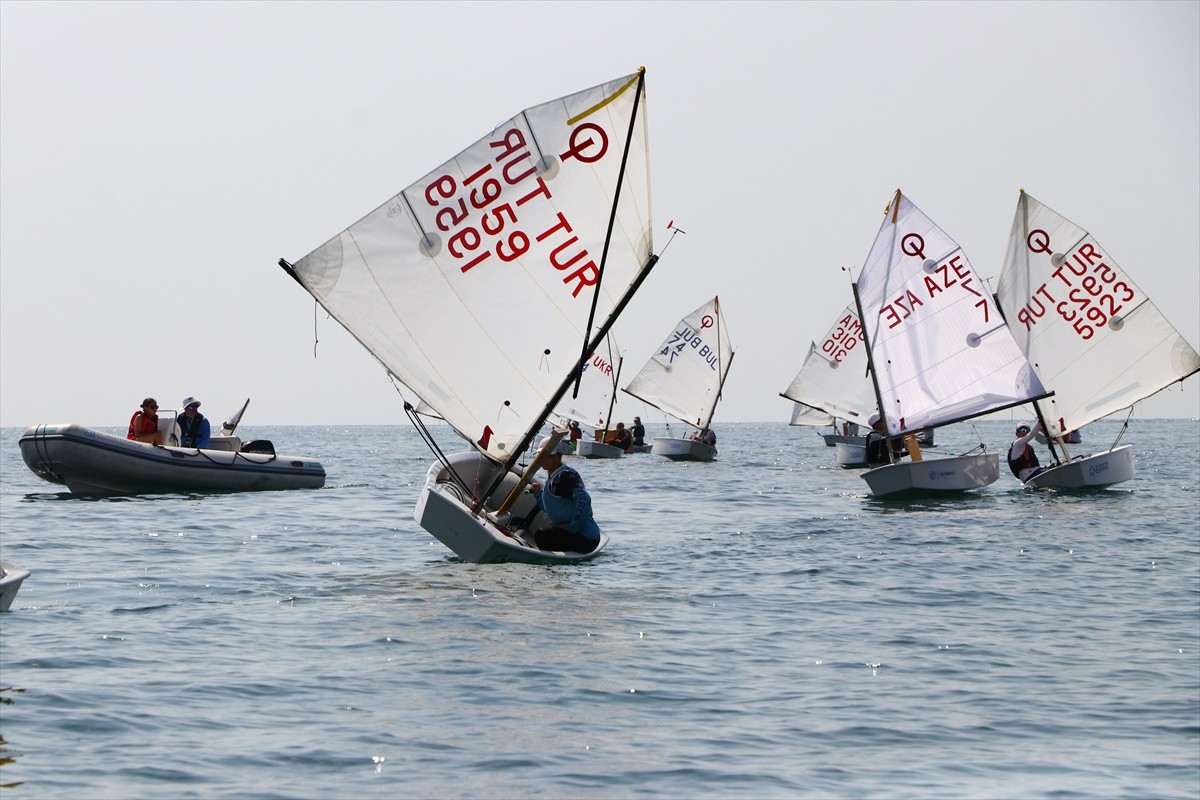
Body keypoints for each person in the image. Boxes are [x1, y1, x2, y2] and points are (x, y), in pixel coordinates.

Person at [526, 436, 601, 553]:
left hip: (586, 539)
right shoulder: (557, 475)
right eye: (542, 455)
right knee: (543, 534)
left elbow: (584, 498)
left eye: (550, 455)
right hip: (584, 537)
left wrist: (572, 527)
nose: (545, 459)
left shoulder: (564, 476)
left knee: (541, 536)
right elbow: (553, 508)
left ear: (559, 456)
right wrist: (538, 494)